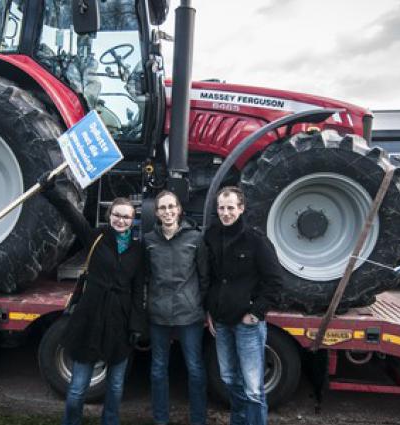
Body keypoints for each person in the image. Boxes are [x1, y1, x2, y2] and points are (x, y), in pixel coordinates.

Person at [39, 174, 145, 425]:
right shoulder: (95, 237)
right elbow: (71, 214)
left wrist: (137, 326)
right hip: (90, 318)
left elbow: (140, 289)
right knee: (77, 388)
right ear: (110, 216)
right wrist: (50, 190)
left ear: (133, 220)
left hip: (120, 323)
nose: (121, 220)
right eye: (117, 215)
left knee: (116, 387)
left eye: (126, 216)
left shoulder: (138, 250)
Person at [204, 186, 283, 425]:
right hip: (221, 321)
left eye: (230, 208)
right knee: (229, 378)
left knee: (253, 388)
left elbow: (275, 282)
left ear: (241, 208)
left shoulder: (256, 240)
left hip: (247, 324)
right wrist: (210, 310)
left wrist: (256, 313)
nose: (225, 213)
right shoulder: (211, 236)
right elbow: (211, 278)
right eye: (221, 208)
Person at [144, 190, 208, 425]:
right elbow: (145, 276)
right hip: (158, 314)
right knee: (158, 369)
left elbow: (204, 276)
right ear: (157, 212)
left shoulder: (195, 239)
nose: (168, 212)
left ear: (179, 209)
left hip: (188, 315)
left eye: (172, 207)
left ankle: (198, 420)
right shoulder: (149, 241)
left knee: (195, 369)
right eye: (162, 208)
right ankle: (161, 419)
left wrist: (203, 308)